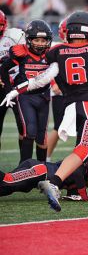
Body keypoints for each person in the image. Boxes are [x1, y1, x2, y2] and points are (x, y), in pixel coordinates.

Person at [1, 11, 88, 215]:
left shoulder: (58, 51)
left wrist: (16, 89)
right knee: (83, 149)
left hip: (70, 107)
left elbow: (43, 79)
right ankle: (54, 182)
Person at [0, 19, 52, 163]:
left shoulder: (51, 54)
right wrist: (9, 90)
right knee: (29, 131)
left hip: (44, 97)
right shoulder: (21, 52)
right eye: (37, 40)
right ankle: (25, 168)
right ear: (29, 40)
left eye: (43, 40)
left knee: (42, 137)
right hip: (25, 97)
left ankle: (42, 169)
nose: (40, 44)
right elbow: (4, 68)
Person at [0, 158, 88, 201]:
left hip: (37, 178)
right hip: (39, 170)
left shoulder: (84, 175)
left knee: (6, 189)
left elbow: (72, 195)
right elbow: (77, 174)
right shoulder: (79, 166)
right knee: (8, 180)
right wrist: (85, 196)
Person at [0, 10, 25, 150]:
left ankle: (23, 164)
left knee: (23, 126)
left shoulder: (15, 36)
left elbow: (27, 56)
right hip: (0, 86)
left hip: (17, 84)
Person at [46, 17, 67, 162]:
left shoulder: (86, 47)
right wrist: (53, 83)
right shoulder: (56, 47)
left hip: (79, 92)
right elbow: (48, 67)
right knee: (58, 127)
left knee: (87, 126)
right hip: (60, 92)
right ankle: (45, 158)